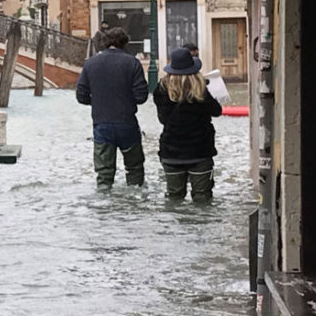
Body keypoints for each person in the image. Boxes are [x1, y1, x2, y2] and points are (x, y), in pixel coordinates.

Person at [76, 27, 149, 192]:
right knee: (135, 170)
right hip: (127, 123)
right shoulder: (132, 63)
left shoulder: (90, 63)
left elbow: (81, 96)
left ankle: (103, 212)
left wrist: (99, 102)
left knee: (103, 175)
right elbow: (141, 97)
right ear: (124, 43)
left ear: (105, 43)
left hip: (102, 123)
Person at [154, 47, 223, 202]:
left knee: (174, 200)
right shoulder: (201, 91)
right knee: (202, 200)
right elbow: (217, 111)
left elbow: (163, 120)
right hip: (200, 152)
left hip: (171, 153)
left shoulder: (161, 90)